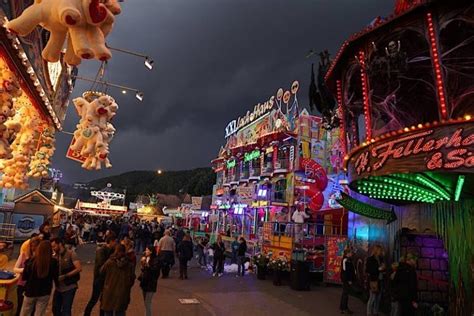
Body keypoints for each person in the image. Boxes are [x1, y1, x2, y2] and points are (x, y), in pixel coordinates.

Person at [20, 241, 59, 316]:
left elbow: (24, 277)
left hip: (30, 291)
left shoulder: (31, 261)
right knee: (40, 313)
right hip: (44, 291)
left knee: (25, 312)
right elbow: (55, 277)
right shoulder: (53, 262)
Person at [84, 233, 118, 316]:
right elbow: (101, 265)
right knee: (94, 298)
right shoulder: (101, 251)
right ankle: (86, 313)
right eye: (115, 241)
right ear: (111, 241)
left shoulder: (111, 250)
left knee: (103, 299)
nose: (116, 243)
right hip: (99, 279)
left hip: (106, 279)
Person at [100, 244, 135, 316]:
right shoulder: (129, 264)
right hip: (123, 292)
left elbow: (101, 272)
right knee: (120, 312)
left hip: (109, 291)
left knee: (108, 312)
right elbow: (132, 279)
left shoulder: (109, 262)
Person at [51, 238, 82, 316]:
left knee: (66, 310)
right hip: (59, 287)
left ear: (60, 244)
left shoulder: (71, 253)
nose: (53, 248)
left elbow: (78, 268)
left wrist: (65, 276)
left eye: (54, 246)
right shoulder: (55, 256)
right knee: (55, 308)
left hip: (69, 287)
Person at [14, 236, 41, 316]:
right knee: (20, 305)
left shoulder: (40, 257)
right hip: (22, 284)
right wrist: (25, 270)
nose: (33, 248)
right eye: (31, 246)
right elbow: (15, 268)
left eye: (35, 246)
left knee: (32, 308)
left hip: (34, 286)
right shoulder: (23, 255)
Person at [139, 245, 160, 316]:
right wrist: (142, 265)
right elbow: (143, 270)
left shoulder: (156, 260)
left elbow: (155, 272)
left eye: (147, 250)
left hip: (151, 283)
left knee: (148, 303)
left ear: (151, 251)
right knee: (145, 302)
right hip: (144, 283)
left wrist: (147, 266)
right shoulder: (146, 258)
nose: (145, 251)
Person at [366, 245, 385, 316]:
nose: (381, 251)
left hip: (380, 280)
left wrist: (383, 268)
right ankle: (369, 313)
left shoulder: (381, 258)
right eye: (380, 250)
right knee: (372, 298)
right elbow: (368, 270)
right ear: (376, 250)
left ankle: (375, 312)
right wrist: (378, 269)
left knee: (378, 298)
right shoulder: (370, 259)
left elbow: (382, 267)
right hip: (373, 280)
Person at [340, 248, 355, 314]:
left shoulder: (348, 260)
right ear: (347, 253)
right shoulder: (346, 260)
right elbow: (346, 271)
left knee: (345, 294)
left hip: (346, 279)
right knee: (345, 294)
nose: (352, 254)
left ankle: (343, 308)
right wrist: (349, 280)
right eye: (351, 252)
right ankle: (344, 308)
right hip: (346, 279)